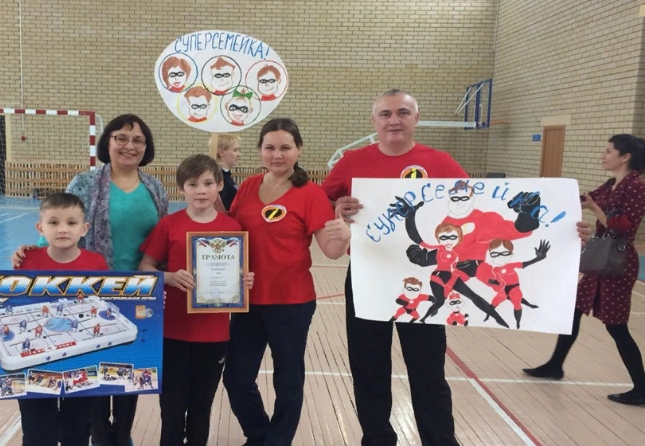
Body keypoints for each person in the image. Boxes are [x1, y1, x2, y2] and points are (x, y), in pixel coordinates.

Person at [322, 89, 600, 445]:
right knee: (368, 367)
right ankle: (377, 439)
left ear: (416, 118)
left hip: (430, 281)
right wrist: (337, 208)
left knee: (427, 371)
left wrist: (564, 233)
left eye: (403, 113)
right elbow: (322, 201)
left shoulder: (441, 162)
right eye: (386, 114)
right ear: (373, 120)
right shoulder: (352, 162)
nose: (394, 121)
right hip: (368, 277)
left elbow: (487, 213)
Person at [13, 114, 168, 446]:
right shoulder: (85, 182)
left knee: (128, 369)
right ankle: (98, 436)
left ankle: (122, 435)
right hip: (88, 290)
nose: (129, 146)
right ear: (108, 142)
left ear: (147, 146)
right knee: (93, 371)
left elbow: (163, 238)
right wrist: (33, 253)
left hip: (136, 294)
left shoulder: (155, 188)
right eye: (121, 138)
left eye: (138, 140)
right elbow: (61, 221)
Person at [222, 118, 351, 446]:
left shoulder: (310, 193)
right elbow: (229, 237)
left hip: (292, 302)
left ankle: (277, 441)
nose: (277, 155)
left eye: (285, 147)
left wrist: (345, 235)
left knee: (287, 380)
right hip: (247, 300)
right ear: (260, 151)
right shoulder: (248, 187)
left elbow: (331, 251)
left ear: (298, 150)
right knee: (236, 377)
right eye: (270, 148)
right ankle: (259, 434)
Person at [139, 154, 255, 446]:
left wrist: (244, 282)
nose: (201, 191)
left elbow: (240, 274)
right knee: (172, 406)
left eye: (207, 183)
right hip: (172, 331)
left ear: (219, 185)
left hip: (214, 334)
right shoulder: (169, 225)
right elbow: (145, 268)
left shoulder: (233, 228)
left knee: (202, 406)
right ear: (181, 189)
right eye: (192, 184)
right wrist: (169, 277)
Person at [523, 134, 645, 406]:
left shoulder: (636, 187)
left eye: (609, 151)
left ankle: (641, 386)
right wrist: (543, 198)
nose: (603, 156)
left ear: (625, 157)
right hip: (600, 259)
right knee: (574, 311)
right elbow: (582, 199)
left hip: (618, 263)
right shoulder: (612, 185)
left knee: (616, 327)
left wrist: (594, 208)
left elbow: (623, 227)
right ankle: (555, 365)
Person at [14, 192, 109, 445]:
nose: (63, 229)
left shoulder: (97, 263)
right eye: (54, 222)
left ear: (84, 228)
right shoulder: (27, 260)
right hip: (36, 361)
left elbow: (110, 306)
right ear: (40, 228)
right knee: (37, 433)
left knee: (77, 430)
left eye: (71, 222)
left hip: (82, 358)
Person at [208, 133, 241, 211]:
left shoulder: (226, 176)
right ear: (221, 152)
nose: (239, 154)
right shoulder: (217, 177)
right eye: (235, 150)